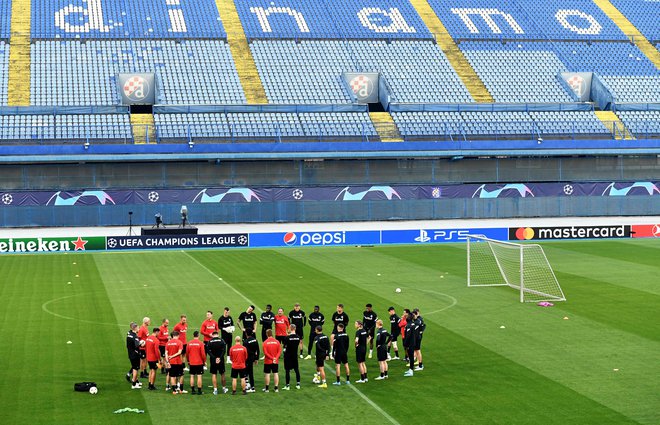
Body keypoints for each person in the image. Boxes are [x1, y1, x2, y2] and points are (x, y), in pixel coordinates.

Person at [207, 331, 228, 395]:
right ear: (218, 335)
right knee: (222, 373)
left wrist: (214, 358)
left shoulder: (210, 341)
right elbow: (224, 350)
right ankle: (224, 389)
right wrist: (219, 358)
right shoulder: (222, 341)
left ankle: (215, 390)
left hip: (213, 360)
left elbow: (208, 352)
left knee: (214, 374)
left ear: (212, 335)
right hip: (221, 359)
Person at [283, 324, 301, 390]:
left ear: (290, 328)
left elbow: (284, 347)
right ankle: (298, 384)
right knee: (296, 370)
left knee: (287, 371)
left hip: (288, 356)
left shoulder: (287, 338)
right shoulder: (298, 337)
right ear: (295, 329)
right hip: (295, 355)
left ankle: (287, 386)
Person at [126, 322, 142, 389]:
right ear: (135, 328)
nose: (139, 329)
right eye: (138, 328)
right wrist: (141, 343)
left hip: (130, 354)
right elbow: (137, 345)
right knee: (135, 369)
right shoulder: (135, 336)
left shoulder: (129, 333)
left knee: (134, 367)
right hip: (135, 355)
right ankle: (134, 384)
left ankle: (136, 381)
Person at [403, 312, 417, 377]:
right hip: (413, 342)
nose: (406, 317)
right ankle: (410, 369)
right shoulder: (413, 324)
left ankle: (411, 371)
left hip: (410, 344)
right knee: (411, 357)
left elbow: (408, 336)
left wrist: (405, 344)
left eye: (407, 316)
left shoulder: (409, 325)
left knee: (411, 357)